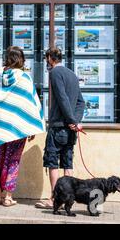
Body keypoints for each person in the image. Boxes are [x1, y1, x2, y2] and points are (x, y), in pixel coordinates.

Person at [0, 46, 46, 207]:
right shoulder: (24, 78)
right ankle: (8, 197)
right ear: (21, 59)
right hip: (16, 127)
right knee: (12, 161)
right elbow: (30, 102)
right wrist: (30, 127)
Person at [35, 48, 85, 209]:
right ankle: (67, 200)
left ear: (50, 58)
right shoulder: (72, 74)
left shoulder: (55, 73)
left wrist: (71, 120)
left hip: (58, 128)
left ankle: (54, 199)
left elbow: (62, 98)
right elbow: (81, 102)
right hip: (70, 130)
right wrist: (75, 121)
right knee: (67, 163)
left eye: (46, 59)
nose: (46, 63)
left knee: (52, 162)